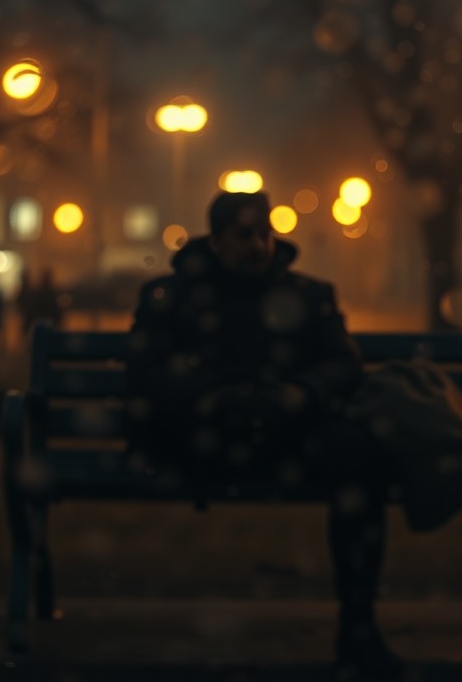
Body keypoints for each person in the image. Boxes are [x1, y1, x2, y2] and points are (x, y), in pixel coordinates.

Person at [124, 191, 401, 678]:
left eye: (265, 233)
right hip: (204, 441)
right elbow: (146, 373)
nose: (258, 245)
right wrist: (213, 399)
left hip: (283, 436)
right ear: (216, 241)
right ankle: (359, 631)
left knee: (359, 462)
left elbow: (343, 364)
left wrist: (299, 394)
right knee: (349, 461)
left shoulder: (307, 295)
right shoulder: (173, 297)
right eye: (244, 235)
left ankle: (359, 625)